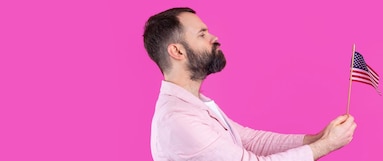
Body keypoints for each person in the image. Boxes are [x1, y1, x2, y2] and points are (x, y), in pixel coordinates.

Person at [143, 7, 357, 161]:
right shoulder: (179, 120)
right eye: (202, 34)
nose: (214, 37)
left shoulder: (195, 104)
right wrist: (326, 145)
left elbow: (250, 140)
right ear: (177, 51)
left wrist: (316, 138)